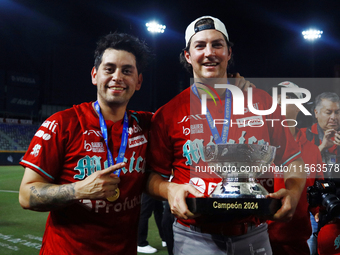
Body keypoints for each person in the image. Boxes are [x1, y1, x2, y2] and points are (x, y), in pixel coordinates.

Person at [146, 16, 306, 255]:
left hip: (254, 232)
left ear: (229, 52)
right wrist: (169, 190)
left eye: (217, 45)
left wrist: (293, 192)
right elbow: (151, 176)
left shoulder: (262, 103)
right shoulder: (168, 114)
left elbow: (293, 160)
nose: (209, 52)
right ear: (188, 56)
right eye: (200, 45)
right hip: (194, 237)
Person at [18, 32, 153, 255]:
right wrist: (78, 189)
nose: (117, 77)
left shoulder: (148, 125)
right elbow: (26, 195)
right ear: (94, 75)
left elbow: (185, 115)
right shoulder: (62, 124)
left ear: (138, 81)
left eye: (127, 71)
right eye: (109, 69)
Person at [266, 81, 323, 255]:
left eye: (289, 96)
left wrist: (320, 212)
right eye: (277, 96)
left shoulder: (312, 150)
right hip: (258, 240)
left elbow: (317, 195)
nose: (280, 100)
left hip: (296, 243)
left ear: (299, 107)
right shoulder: (259, 145)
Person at [300, 92, 340, 255]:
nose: (334, 117)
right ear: (316, 113)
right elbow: (296, 169)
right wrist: (321, 148)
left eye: (337, 112)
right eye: (328, 112)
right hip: (310, 209)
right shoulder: (303, 135)